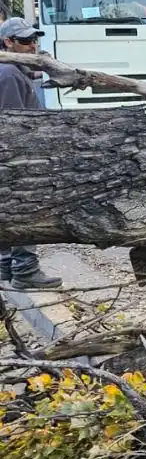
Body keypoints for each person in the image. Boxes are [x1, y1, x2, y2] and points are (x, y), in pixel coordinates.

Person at [0, 17, 63, 290]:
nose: (32, 46)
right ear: (8, 43)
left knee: (9, 211)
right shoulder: (9, 75)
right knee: (27, 209)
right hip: (18, 156)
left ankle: (5, 268)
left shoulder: (12, 71)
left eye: (33, 40)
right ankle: (25, 270)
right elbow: (14, 122)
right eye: (25, 41)